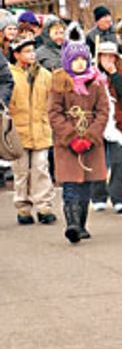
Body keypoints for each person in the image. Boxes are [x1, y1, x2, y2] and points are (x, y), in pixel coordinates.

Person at [48, 25, 110, 243]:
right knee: (71, 184)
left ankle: (82, 223)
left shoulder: (97, 83)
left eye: (83, 59)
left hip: (91, 141)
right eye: (75, 60)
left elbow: (103, 111)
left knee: (86, 183)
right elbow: (54, 113)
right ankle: (72, 223)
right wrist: (71, 137)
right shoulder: (60, 84)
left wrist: (92, 136)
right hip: (68, 143)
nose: (80, 63)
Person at [8, 37, 56, 226]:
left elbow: (51, 99)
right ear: (17, 55)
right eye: (26, 51)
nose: (32, 54)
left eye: (32, 51)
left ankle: (44, 206)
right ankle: (23, 208)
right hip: (17, 131)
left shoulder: (44, 75)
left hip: (41, 129)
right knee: (21, 171)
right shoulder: (9, 75)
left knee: (41, 168)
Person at [93, 41, 122, 213]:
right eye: (104, 56)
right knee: (97, 162)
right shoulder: (91, 76)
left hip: (117, 124)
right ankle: (98, 197)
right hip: (97, 123)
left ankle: (119, 198)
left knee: (118, 161)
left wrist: (114, 74)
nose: (108, 59)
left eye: (111, 56)